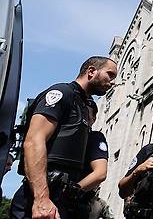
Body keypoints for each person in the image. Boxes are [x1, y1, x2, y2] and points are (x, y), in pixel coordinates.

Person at [10, 56, 118, 219]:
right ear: (91, 71)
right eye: (110, 74)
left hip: (63, 198)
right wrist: (42, 199)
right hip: (43, 194)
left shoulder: (84, 105)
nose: (113, 82)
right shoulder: (63, 93)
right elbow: (33, 142)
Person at [79, 101, 113, 219]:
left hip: (79, 200)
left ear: (93, 119)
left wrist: (70, 192)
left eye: (86, 112)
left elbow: (100, 173)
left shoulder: (94, 138)